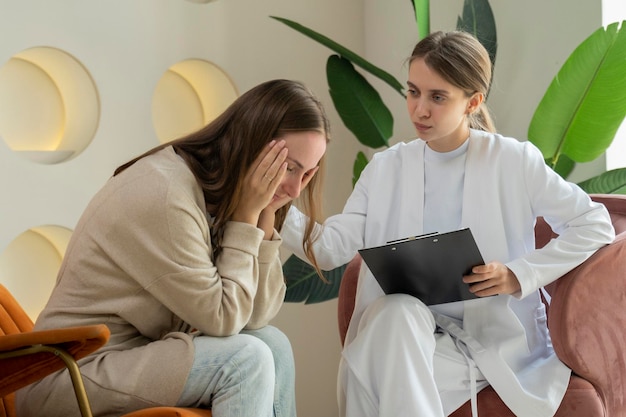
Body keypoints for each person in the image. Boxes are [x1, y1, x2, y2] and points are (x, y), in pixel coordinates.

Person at [281, 31, 615, 417]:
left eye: (437, 97)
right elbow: (330, 248)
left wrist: (518, 274)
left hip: (492, 343)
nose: (419, 109)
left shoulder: (512, 161)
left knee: (380, 368)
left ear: (472, 101)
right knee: (395, 314)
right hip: (412, 342)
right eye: (413, 92)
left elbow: (594, 223)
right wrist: (270, 205)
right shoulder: (385, 169)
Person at [16, 79, 330, 417]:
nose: (297, 190)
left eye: (308, 174)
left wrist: (264, 220)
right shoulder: (167, 195)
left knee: (275, 346)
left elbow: (254, 316)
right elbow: (224, 319)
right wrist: (246, 219)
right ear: (253, 145)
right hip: (70, 373)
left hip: (132, 357)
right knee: (245, 361)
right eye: (289, 167)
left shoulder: (222, 193)